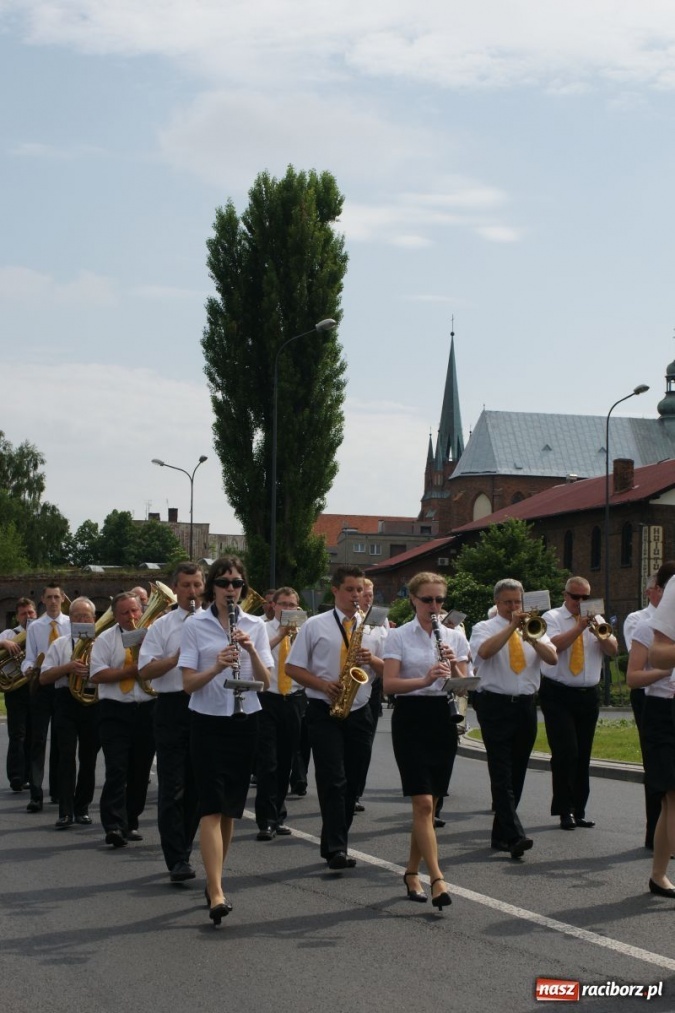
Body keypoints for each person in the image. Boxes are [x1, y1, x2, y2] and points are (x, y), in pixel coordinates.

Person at [180, 556, 272, 925]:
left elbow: (266, 682)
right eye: (223, 583)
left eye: (236, 583)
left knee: (231, 808)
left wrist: (249, 650)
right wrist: (217, 665)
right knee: (211, 806)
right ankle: (216, 889)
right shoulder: (195, 625)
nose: (230, 589)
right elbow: (188, 683)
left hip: (245, 718)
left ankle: (215, 878)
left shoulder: (255, 625)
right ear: (211, 588)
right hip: (206, 721)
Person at [383, 572, 469, 909]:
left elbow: (466, 686)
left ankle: (411, 872)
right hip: (411, 718)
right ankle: (438, 878)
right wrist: (424, 678)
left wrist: (454, 668)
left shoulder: (456, 636)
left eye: (439, 600)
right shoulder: (399, 636)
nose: (434, 607)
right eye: (427, 600)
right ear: (414, 601)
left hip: (443, 719)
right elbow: (389, 685)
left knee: (430, 804)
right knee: (421, 803)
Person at [286, 565, 380, 870]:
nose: (356, 596)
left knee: (352, 782)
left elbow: (388, 669)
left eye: (359, 590)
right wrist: (323, 684)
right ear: (336, 591)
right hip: (323, 709)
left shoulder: (372, 627)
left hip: (360, 709)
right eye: (350, 590)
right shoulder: (315, 625)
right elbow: (293, 668)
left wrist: (372, 659)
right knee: (333, 779)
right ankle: (337, 847)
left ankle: (336, 839)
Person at [470, 579, 557, 859]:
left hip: (526, 706)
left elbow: (553, 658)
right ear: (497, 603)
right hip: (495, 705)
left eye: (517, 602)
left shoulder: (535, 626)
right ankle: (515, 835)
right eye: (507, 602)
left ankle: (501, 835)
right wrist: (510, 627)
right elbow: (483, 652)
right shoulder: (484, 628)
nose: (513, 607)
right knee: (501, 770)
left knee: (518, 770)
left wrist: (531, 637)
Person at [138, 563, 205, 883]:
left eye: (197, 585)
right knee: (172, 786)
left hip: (205, 706)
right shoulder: (162, 626)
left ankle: (184, 849)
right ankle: (176, 858)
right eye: (186, 586)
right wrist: (177, 657)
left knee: (196, 786)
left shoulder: (215, 622)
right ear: (175, 589)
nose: (192, 591)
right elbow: (145, 670)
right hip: (172, 707)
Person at [539, 576, 618, 830]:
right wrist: (580, 627)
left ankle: (579, 809)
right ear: (565, 595)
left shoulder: (598, 619)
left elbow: (614, 650)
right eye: (576, 597)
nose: (581, 602)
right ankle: (564, 810)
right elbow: (554, 646)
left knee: (583, 754)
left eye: (586, 597)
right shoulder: (551, 618)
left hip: (587, 694)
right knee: (566, 752)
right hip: (558, 693)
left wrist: (600, 633)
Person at [90, 592, 156, 848]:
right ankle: (114, 825)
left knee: (140, 771)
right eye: (125, 612)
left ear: (141, 611)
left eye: (135, 611)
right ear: (115, 616)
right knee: (117, 769)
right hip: (115, 710)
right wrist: (130, 670)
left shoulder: (152, 636)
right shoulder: (106, 639)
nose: (131, 617)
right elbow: (96, 674)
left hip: (146, 709)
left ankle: (131, 819)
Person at [626, 563, 675, 897]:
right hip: (664, 711)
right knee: (673, 797)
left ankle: (658, 875)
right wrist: (662, 673)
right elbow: (632, 678)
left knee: (671, 803)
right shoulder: (645, 627)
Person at [39, 597, 100, 829]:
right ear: (70, 619)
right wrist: (68, 667)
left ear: (94, 619)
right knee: (66, 756)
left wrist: (92, 671)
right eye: (76, 616)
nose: (82, 620)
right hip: (66, 701)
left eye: (86, 616)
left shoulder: (101, 643)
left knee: (89, 757)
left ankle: (82, 808)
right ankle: (65, 811)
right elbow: (44, 677)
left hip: (93, 701)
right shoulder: (61, 644)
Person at [254, 586, 304, 840]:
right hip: (267, 699)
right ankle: (266, 819)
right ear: (273, 606)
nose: (287, 609)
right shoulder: (262, 629)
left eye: (292, 605)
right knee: (268, 762)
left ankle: (279, 814)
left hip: (293, 699)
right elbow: (257, 659)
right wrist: (281, 635)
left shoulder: (302, 632)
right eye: (283, 604)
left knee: (286, 761)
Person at [624, 574, 667, 849]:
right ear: (649, 592)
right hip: (648, 696)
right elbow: (637, 659)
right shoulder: (638, 620)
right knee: (657, 765)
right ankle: (656, 833)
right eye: (662, 589)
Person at [21, 583, 70, 813]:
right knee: (38, 740)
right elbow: (29, 656)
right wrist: (28, 668)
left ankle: (58, 792)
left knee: (61, 740)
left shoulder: (71, 624)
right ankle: (36, 794)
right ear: (42, 599)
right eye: (49, 597)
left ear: (62, 599)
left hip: (63, 685)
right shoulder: (35, 627)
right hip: (41, 685)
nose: (53, 601)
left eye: (56, 597)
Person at [353, 577, 388, 812]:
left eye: (371, 593)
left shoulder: (380, 619)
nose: (368, 597)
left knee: (365, 744)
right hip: (349, 680)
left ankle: (356, 791)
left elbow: (387, 657)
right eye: (365, 593)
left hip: (371, 683)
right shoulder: (350, 618)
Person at [0, 597, 37, 792]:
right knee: (17, 734)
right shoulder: (9, 633)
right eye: (23, 613)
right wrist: (5, 643)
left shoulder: (41, 631)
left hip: (36, 686)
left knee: (33, 733)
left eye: (30, 612)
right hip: (16, 688)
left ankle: (31, 776)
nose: (28, 616)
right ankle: (16, 776)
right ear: (17, 616)